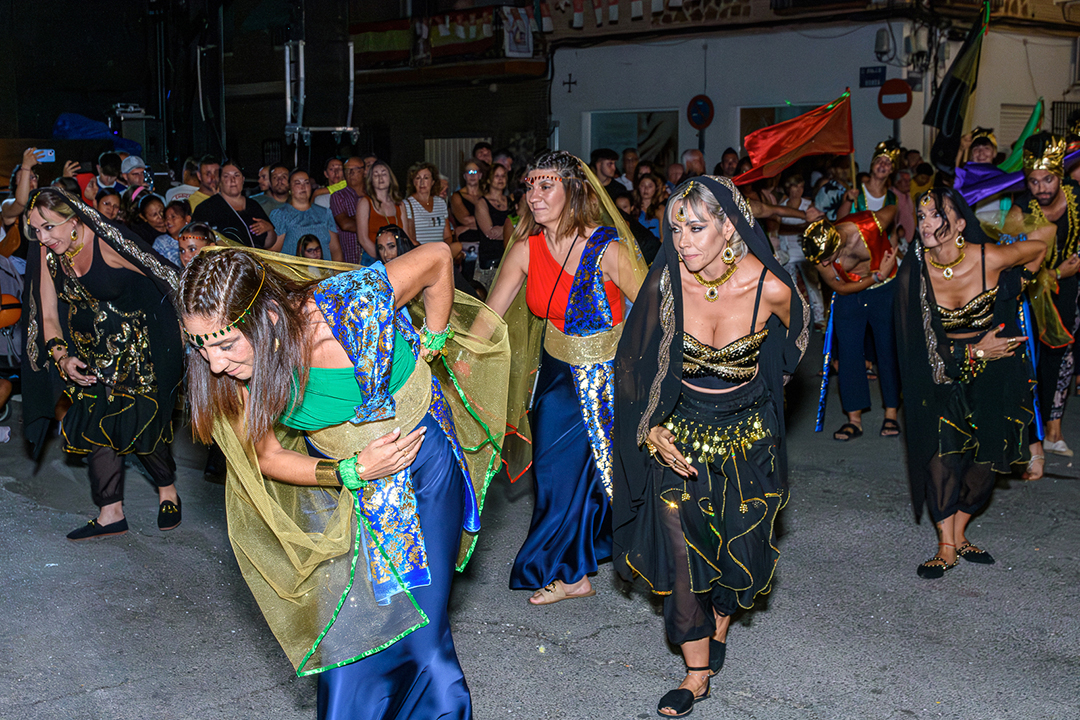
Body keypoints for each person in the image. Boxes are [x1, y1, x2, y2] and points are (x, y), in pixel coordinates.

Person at [177, 241, 507, 719]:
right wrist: (349, 471)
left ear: (268, 317)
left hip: (425, 473)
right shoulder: (234, 369)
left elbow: (437, 257)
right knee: (348, 643)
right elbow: (267, 455)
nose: (215, 364)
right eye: (201, 346)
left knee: (421, 639)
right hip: (344, 494)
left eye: (226, 344)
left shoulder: (348, 306)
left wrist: (431, 342)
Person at [611, 176, 807, 717]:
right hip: (681, 439)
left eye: (696, 227)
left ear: (730, 226)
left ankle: (720, 617)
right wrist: (651, 427)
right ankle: (696, 673)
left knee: (739, 561)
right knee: (680, 556)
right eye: (675, 229)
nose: (683, 242)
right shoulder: (668, 283)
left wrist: (769, 392)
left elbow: (796, 344)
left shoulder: (770, 286)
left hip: (749, 441)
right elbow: (635, 364)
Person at [485, 150, 648, 606]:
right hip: (557, 375)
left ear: (572, 190)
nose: (533, 195)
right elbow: (489, 318)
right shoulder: (525, 249)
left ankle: (573, 572)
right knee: (557, 475)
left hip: (610, 378)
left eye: (545, 185)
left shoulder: (607, 248)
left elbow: (658, 310)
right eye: (530, 186)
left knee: (599, 476)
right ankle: (572, 568)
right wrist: (453, 356)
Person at [895, 187, 1047, 578]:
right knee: (940, 456)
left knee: (985, 464)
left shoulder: (989, 259)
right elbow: (914, 345)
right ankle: (946, 546)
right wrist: (976, 351)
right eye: (923, 216)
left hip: (995, 376)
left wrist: (1012, 292)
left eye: (936, 216)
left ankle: (960, 533)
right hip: (940, 372)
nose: (926, 224)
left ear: (960, 224)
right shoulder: (913, 270)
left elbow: (1038, 248)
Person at [21, 187, 184, 539]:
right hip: (90, 354)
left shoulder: (109, 243)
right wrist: (62, 358)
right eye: (35, 230)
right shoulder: (48, 253)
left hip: (137, 352)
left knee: (141, 427)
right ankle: (110, 512)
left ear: (74, 219)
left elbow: (165, 280)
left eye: (48, 227)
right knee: (97, 426)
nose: (41, 237)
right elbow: (48, 315)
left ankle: (167, 488)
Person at [1004, 132, 1080, 458]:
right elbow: (1008, 253)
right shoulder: (1021, 208)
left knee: (1061, 357)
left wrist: (1061, 273)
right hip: (1030, 292)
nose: (1041, 188)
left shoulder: (1078, 196)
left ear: (1059, 175)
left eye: (1047, 179)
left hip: (1068, 290)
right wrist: (1049, 272)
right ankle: (1029, 434)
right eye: (1033, 181)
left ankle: (1054, 431)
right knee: (1029, 359)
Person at [804, 205, 901, 440]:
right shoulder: (820, 253)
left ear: (837, 243)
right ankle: (853, 420)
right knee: (848, 353)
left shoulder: (869, 225)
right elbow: (840, 286)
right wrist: (875, 276)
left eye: (827, 260)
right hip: (852, 291)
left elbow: (893, 209)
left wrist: (893, 239)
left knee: (887, 348)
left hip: (885, 289)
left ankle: (891, 413)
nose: (824, 266)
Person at [192, 160, 276, 249]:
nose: (233, 180)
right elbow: (195, 239)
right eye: (226, 176)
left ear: (243, 179)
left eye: (236, 175)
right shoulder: (205, 208)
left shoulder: (253, 205)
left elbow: (268, 244)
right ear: (220, 181)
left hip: (254, 260)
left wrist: (269, 229)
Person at [777, 174, 825, 326]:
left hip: (805, 252)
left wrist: (796, 229)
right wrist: (799, 228)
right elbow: (778, 228)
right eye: (794, 186)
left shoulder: (808, 205)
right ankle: (792, 318)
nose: (797, 190)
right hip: (788, 252)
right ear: (788, 188)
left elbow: (817, 224)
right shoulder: (782, 205)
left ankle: (819, 318)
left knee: (812, 285)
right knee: (789, 286)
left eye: (800, 187)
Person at [269, 169, 342, 261]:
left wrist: (337, 273)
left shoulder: (325, 213)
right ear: (290, 188)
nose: (303, 187)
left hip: (324, 273)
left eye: (306, 183)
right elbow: (274, 252)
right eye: (297, 183)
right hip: (295, 272)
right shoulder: (281, 215)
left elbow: (335, 250)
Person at [357, 161, 409, 261]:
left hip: (399, 259)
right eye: (376, 175)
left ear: (390, 178)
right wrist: (382, 258)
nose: (380, 178)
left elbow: (406, 236)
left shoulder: (400, 204)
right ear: (371, 180)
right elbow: (363, 239)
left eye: (384, 174)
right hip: (373, 258)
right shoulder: (365, 202)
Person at [474, 162, 514, 288]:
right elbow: (490, 233)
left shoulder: (511, 201)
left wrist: (503, 229)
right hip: (490, 261)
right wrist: (511, 229)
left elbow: (522, 227)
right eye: (497, 176)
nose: (501, 179)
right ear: (489, 179)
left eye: (503, 176)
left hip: (509, 258)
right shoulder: (482, 203)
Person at [839, 141, 899, 217]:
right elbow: (840, 220)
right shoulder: (855, 191)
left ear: (891, 170)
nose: (882, 165)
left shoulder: (892, 199)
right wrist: (849, 200)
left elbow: (893, 226)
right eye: (879, 161)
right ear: (872, 165)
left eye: (887, 163)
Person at [330, 157, 368, 264]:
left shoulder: (373, 195)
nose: (351, 173)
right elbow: (345, 224)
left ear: (364, 172)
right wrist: (370, 222)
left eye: (355, 169)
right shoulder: (338, 196)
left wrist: (354, 219)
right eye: (347, 170)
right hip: (350, 258)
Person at [449, 160, 485, 275]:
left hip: (484, 245)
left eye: (475, 171)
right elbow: (465, 219)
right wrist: (486, 220)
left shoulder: (486, 195)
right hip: (466, 249)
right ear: (464, 176)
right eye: (469, 172)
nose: (472, 175)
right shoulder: (457, 196)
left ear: (480, 175)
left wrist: (468, 226)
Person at [404, 161, 452, 246]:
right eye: (418, 178)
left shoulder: (440, 203)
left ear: (433, 182)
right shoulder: (407, 204)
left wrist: (444, 249)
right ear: (413, 182)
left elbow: (447, 236)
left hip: (441, 251)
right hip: (420, 251)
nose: (422, 182)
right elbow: (410, 237)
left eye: (426, 178)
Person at [152, 199, 192, 266]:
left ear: (187, 219)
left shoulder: (196, 239)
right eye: (166, 218)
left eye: (173, 217)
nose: (168, 221)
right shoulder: (161, 242)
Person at [633, 172, 664, 239]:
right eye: (643, 185)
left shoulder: (660, 210)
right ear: (638, 187)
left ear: (656, 189)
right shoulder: (632, 208)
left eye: (650, 186)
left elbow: (663, 238)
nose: (646, 189)